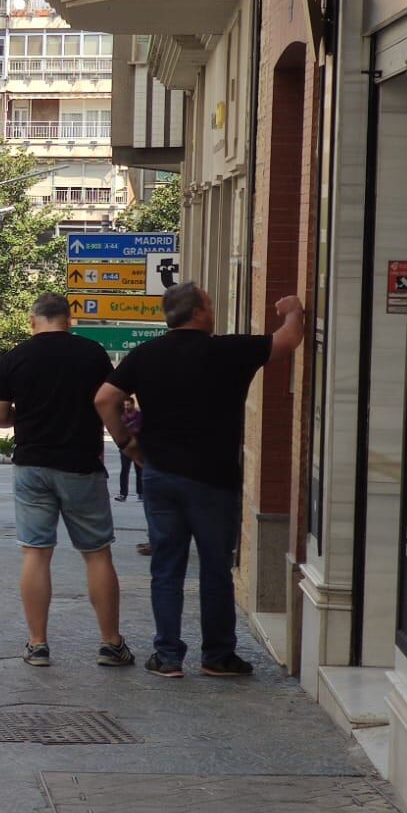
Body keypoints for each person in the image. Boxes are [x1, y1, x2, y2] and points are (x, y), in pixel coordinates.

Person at [97, 283, 305, 679]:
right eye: (209, 304)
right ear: (199, 312)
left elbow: (104, 398)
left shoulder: (146, 355)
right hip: (214, 479)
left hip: (160, 476)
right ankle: (217, 655)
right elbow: (287, 341)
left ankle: (168, 656)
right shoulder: (228, 350)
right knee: (215, 568)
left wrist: (128, 445)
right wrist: (293, 309)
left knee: (167, 567)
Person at [0, 293, 133, 669]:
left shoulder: (16, 357)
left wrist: (29, 411)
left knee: (36, 553)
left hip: (32, 463)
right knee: (97, 553)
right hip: (81, 463)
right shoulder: (92, 353)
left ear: (33, 320)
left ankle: (37, 644)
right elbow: (110, 400)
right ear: (69, 320)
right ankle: (111, 644)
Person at [115, 396, 143, 502]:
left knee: (139, 470)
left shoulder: (139, 415)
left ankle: (141, 493)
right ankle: (123, 494)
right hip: (125, 447)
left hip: (137, 447)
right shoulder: (122, 416)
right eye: (125, 405)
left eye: (128, 404)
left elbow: (138, 429)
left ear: (132, 404)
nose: (126, 407)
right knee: (124, 471)